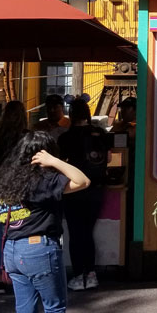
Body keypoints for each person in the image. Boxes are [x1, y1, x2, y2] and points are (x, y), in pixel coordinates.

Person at [0, 130, 90, 313]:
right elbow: (82, 181)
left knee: (24, 312)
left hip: (11, 252)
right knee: (55, 310)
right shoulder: (43, 180)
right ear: (43, 153)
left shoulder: (7, 179)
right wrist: (55, 162)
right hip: (38, 249)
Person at [57, 98, 108, 291]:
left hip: (73, 189)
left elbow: (60, 163)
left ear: (71, 114)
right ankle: (91, 273)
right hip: (97, 188)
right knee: (88, 231)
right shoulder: (101, 134)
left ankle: (79, 275)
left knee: (76, 233)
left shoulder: (65, 138)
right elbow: (109, 157)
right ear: (87, 114)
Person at [0, 100, 28, 295]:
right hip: (20, 188)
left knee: (0, 234)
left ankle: (0, 277)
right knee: (20, 232)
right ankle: (19, 274)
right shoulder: (26, 137)